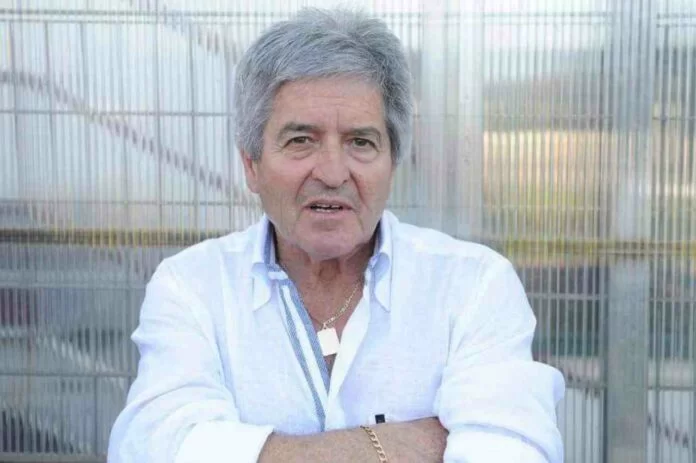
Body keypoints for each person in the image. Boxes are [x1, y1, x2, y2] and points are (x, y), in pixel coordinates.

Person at [108, 8, 565, 463]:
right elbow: (154, 447)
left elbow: (512, 449)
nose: (332, 173)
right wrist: (404, 443)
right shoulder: (191, 286)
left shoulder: (473, 285)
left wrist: (245, 450)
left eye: (360, 142)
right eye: (301, 140)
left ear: (392, 162)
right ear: (251, 164)